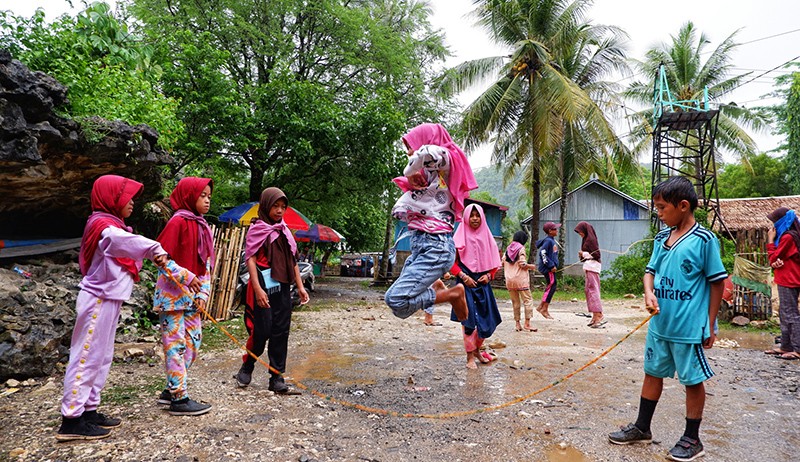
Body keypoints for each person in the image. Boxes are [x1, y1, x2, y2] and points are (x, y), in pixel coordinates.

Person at [608, 176, 727, 462]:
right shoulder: (662, 239)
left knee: (692, 380)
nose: (658, 214)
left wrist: (710, 324)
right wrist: (649, 292)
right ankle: (642, 427)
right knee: (652, 373)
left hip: (688, 328)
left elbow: (717, 283)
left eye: (662, 208)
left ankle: (692, 438)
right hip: (660, 325)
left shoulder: (704, 240)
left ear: (683, 206)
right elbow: (649, 272)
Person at [58, 175, 176, 441]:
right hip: (98, 299)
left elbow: (122, 239)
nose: (132, 202)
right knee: (86, 356)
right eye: (127, 197)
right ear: (112, 198)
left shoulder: (110, 224)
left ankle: (88, 409)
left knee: (101, 357)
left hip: (108, 299)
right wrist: (155, 248)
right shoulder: (103, 226)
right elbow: (121, 241)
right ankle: (71, 419)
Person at [384, 123, 477, 323]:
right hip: (422, 245)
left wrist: (411, 169)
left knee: (396, 299)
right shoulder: (432, 174)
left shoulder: (445, 157)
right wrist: (412, 178)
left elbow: (426, 154)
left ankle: (453, 294)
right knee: (398, 307)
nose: (409, 152)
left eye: (411, 145)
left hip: (436, 245)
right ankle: (439, 291)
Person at [234, 187, 310, 393]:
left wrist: (300, 287)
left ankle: (276, 377)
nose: (279, 211)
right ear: (266, 205)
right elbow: (250, 258)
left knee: (281, 331)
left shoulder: (285, 231)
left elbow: (293, 260)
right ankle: (247, 365)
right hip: (262, 284)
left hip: (283, 286)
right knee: (262, 330)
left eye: (283, 207)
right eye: (275, 206)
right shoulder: (257, 229)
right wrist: (257, 289)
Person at [153, 177, 215, 416]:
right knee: (175, 346)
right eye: (202, 195)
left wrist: (203, 292)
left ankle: (171, 389)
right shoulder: (177, 221)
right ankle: (179, 398)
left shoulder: (202, 226)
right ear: (190, 195)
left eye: (209, 196)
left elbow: (206, 264)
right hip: (172, 298)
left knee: (194, 343)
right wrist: (187, 277)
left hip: (191, 299)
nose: (207, 200)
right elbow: (160, 258)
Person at [450, 204, 502, 369]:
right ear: (465, 217)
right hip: (465, 284)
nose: (474, 218)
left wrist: (489, 276)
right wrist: (463, 277)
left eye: (477, 215)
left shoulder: (487, 237)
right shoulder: (459, 237)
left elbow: (495, 262)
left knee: (487, 319)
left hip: (483, 283)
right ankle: (469, 357)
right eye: (471, 215)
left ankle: (478, 350)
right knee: (469, 321)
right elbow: (451, 262)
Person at [764, 207, 800, 360]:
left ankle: (797, 348)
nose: (773, 226)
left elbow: (773, 257)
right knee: (785, 313)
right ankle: (786, 346)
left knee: (790, 314)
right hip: (789, 277)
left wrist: (770, 241)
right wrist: (776, 261)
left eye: (774, 222)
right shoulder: (792, 235)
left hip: (789, 279)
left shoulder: (787, 238)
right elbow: (777, 259)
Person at [503, 230, 536, 332]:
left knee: (515, 302)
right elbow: (522, 264)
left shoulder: (508, 249)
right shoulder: (520, 248)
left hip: (509, 280)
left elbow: (502, 261)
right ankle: (527, 323)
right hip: (521, 280)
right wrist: (531, 266)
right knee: (528, 300)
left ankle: (517, 324)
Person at [575, 221, 606, 328]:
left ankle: (598, 315)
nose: (580, 234)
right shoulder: (586, 240)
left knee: (593, 291)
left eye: (580, 232)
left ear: (584, 230)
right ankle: (594, 315)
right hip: (589, 268)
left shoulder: (591, 240)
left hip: (593, 268)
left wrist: (582, 253)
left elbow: (596, 254)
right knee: (588, 291)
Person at [536, 222, 560, 319]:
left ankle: (541, 306)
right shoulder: (548, 241)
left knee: (552, 285)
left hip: (551, 268)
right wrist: (550, 266)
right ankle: (544, 309)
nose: (557, 230)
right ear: (550, 231)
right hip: (548, 268)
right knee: (552, 286)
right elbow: (543, 254)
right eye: (555, 229)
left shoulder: (552, 240)